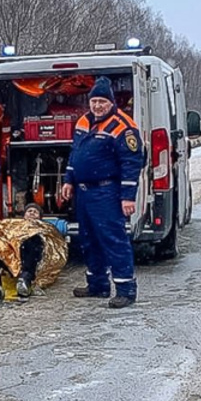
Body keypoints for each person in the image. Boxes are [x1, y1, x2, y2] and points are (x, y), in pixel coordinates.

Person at [60, 76, 145, 308]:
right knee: (88, 240)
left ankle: (126, 290)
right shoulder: (83, 122)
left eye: (102, 102)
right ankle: (98, 284)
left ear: (111, 103)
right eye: (94, 101)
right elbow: (74, 154)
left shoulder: (123, 127)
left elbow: (131, 163)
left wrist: (128, 197)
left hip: (107, 192)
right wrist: (68, 180)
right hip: (84, 192)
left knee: (113, 240)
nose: (97, 106)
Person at [0, 203, 68, 299]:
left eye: (35, 212)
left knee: (33, 238)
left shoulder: (44, 228)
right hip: (11, 254)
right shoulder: (15, 225)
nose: (32, 213)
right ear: (24, 215)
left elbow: (53, 240)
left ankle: (26, 278)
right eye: (29, 211)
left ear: (40, 217)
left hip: (30, 256)